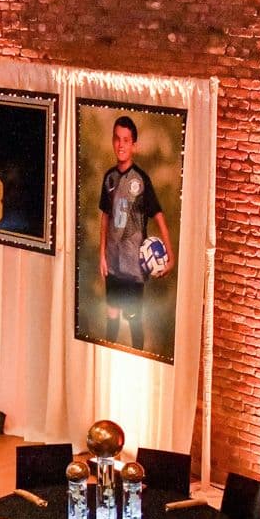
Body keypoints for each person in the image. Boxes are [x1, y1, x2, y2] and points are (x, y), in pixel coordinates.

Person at [96, 114, 173, 351]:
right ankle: (107, 359)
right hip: (113, 261)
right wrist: (102, 254)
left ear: (134, 146)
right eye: (117, 139)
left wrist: (170, 255)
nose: (121, 144)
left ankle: (137, 356)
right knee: (111, 317)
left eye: (126, 140)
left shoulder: (141, 180)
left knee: (133, 320)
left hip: (133, 266)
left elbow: (158, 214)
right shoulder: (109, 178)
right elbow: (105, 216)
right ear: (113, 141)